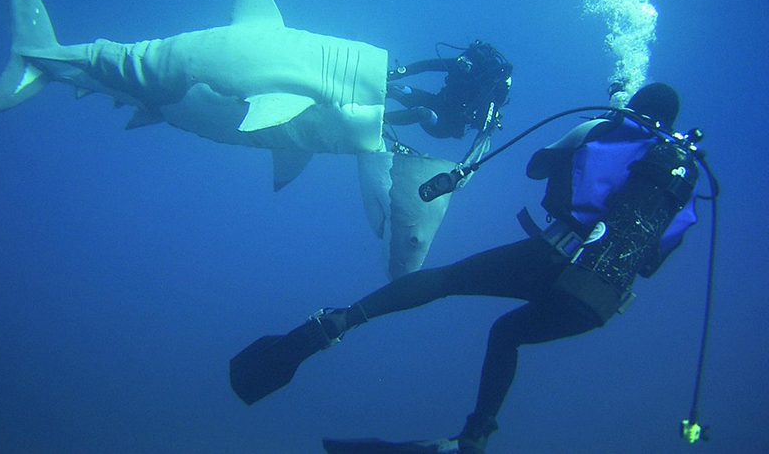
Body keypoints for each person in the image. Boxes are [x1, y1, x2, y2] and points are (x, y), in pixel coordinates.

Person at [230, 83, 700, 453]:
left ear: (633, 107)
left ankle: (336, 321)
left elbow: (536, 168)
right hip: (602, 298)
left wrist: (600, 127)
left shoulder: (603, 129)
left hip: (553, 254)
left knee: (444, 281)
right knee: (508, 334)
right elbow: (655, 260)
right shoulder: (683, 178)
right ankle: (475, 438)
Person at [384, 40, 514, 140]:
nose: (461, 66)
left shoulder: (486, 91)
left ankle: (376, 121)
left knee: (423, 113)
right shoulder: (459, 65)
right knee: (394, 88)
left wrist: (465, 166)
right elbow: (428, 65)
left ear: (477, 70)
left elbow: (483, 131)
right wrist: (398, 72)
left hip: (446, 125)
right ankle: (366, 102)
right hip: (437, 102)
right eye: (462, 60)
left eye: (466, 65)